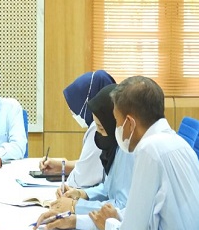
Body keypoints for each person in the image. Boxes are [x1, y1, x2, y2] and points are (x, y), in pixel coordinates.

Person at [36, 76, 199, 230]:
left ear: (129, 122)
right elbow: (137, 217)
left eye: (116, 120)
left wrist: (107, 224)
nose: (116, 128)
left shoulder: (150, 149)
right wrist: (76, 221)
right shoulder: (177, 143)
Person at [41, 83, 135, 217]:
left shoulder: (127, 151)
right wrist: (81, 194)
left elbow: (122, 205)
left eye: (101, 128)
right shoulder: (114, 148)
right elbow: (108, 189)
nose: (98, 134)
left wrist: (75, 206)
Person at [39, 70, 115, 188]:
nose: (72, 111)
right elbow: (91, 165)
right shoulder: (110, 124)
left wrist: (69, 188)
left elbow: (82, 178)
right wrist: (61, 166)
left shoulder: (98, 129)